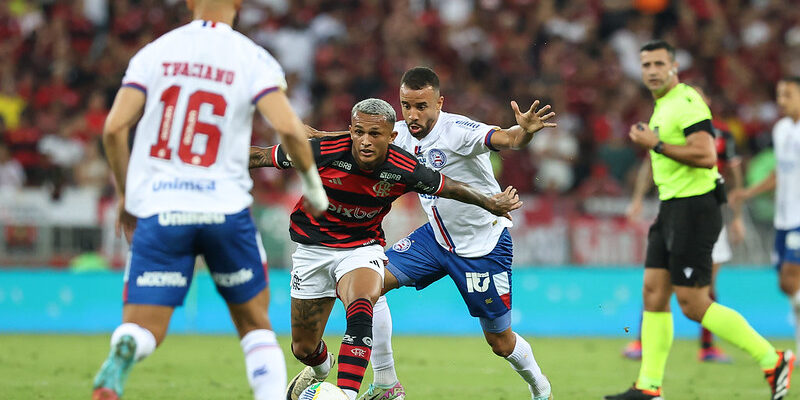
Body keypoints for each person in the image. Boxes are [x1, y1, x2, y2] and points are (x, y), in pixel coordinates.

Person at [91, 1, 329, 399]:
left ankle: (127, 344)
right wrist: (312, 185)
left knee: (144, 325)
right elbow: (288, 126)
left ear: (188, 2)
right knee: (255, 328)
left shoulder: (155, 53)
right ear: (238, 4)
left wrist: (126, 194)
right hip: (225, 209)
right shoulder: (253, 57)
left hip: (161, 208)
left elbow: (114, 128)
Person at [248, 98, 523, 400]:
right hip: (312, 249)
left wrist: (490, 202)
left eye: (375, 134)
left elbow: (449, 186)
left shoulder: (403, 167)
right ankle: (321, 368)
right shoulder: (321, 151)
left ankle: (347, 394)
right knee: (303, 348)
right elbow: (261, 157)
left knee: (364, 297)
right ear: (350, 131)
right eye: (359, 132)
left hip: (362, 247)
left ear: (391, 137)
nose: (365, 141)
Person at [310, 66, 557, 400]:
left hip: (481, 248)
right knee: (365, 285)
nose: (412, 114)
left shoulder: (458, 131)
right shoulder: (396, 134)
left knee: (500, 342)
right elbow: (343, 140)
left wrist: (525, 132)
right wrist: (300, 133)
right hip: (434, 240)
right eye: (406, 105)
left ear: (439, 103)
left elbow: (509, 138)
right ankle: (386, 383)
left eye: (421, 106)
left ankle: (540, 387)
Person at [605, 40, 793, 400]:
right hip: (672, 207)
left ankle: (773, 359)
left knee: (693, 303)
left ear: (674, 67)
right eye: (646, 65)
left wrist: (656, 144)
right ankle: (648, 388)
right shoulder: (663, 107)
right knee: (654, 294)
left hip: (695, 208)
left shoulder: (686, 101)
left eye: (660, 63)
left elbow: (707, 155)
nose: (653, 70)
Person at [622, 85, 747, 364]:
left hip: (706, 212)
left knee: (705, 287)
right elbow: (649, 165)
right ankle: (642, 343)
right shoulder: (667, 129)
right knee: (657, 282)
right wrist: (638, 198)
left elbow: (736, 176)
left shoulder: (722, 134)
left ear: (707, 103)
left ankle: (708, 347)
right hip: (674, 209)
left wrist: (737, 216)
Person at [731, 76, 800, 366]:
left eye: (788, 94)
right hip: (783, 218)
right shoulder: (781, 129)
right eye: (779, 94)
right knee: (787, 287)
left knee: (790, 278)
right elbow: (779, 175)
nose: (781, 100)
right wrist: (748, 192)